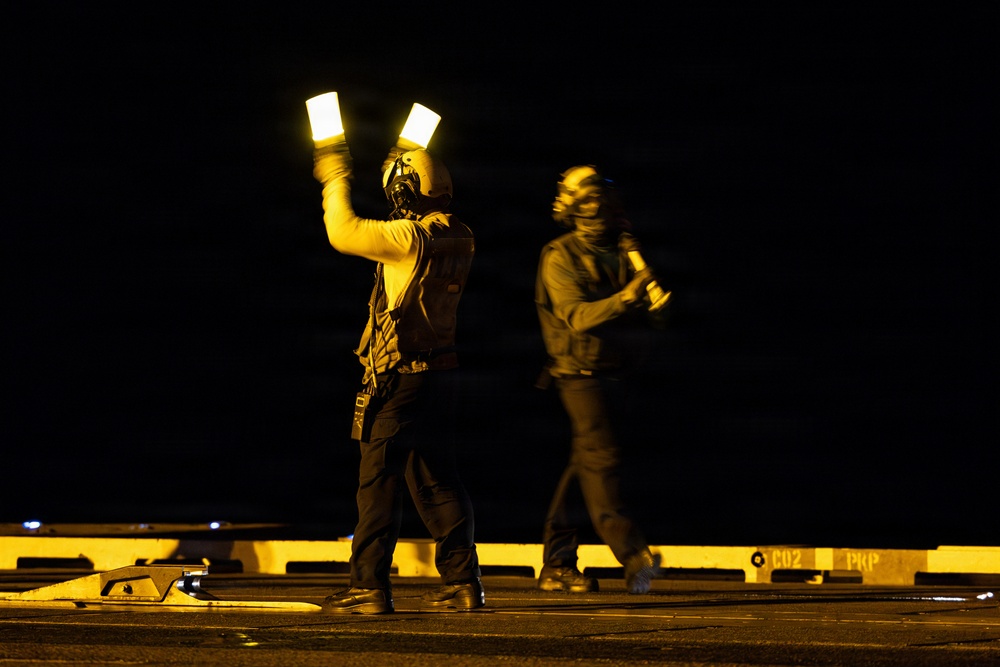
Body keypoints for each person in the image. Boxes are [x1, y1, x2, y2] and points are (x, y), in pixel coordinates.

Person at [311, 137, 484, 614]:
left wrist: (335, 177)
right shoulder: (460, 234)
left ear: (404, 192)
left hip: (399, 378)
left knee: (378, 481)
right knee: (439, 481)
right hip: (440, 375)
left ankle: (368, 586)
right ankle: (463, 582)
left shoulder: (408, 240)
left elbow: (343, 232)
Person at [534, 164, 668, 595]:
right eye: (587, 197)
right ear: (574, 205)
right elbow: (576, 316)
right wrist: (625, 299)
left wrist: (651, 305)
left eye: (600, 196)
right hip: (579, 374)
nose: (597, 204)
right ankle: (634, 556)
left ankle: (556, 562)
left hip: (616, 371)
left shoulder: (623, 248)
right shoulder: (560, 255)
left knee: (586, 466)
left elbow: (646, 314)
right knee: (602, 460)